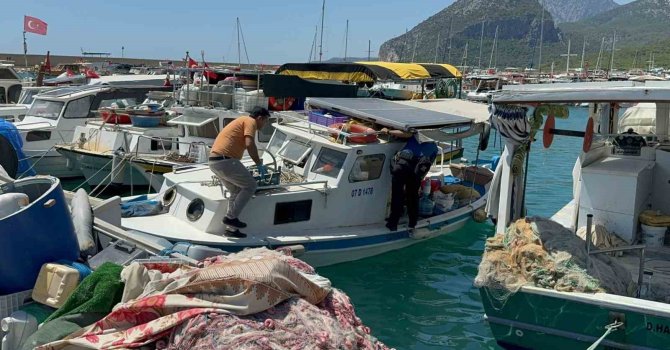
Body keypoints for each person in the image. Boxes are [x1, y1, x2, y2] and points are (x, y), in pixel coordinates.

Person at [209, 106, 270, 238]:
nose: (264, 125)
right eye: (265, 121)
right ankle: (231, 217)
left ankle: (231, 229)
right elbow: (249, 143)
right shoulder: (250, 121)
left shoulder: (241, 121)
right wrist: (259, 163)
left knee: (236, 191)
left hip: (215, 162)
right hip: (225, 160)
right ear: (260, 118)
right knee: (251, 186)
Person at [382, 127, 438, 232]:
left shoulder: (415, 136)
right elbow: (428, 164)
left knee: (397, 194)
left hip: (403, 166)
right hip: (417, 171)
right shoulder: (434, 147)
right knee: (412, 196)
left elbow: (405, 134)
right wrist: (420, 177)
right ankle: (412, 222)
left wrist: (388, 131)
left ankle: (393, 223)